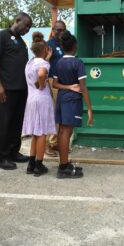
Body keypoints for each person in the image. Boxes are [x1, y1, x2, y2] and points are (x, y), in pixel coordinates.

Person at [0, 12, 32, 170]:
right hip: (6, 89)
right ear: (17, 20)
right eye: (26, 25)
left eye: (29, 27)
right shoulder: (1, 36)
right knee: (4, 122)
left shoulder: (21, 41)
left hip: (21, 88)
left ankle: (14, 151)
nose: (27, 29)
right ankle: (2, 157)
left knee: (17, 122)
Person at [53, 30, 93, 179]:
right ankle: (63, 168)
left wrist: (68, 86)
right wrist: (89, 108)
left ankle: (64, 163)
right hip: (72, 100)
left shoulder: (59, 62)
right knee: (66, 132)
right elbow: (83, 88)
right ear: (75, 46)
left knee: (62, 131)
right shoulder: (77, 62)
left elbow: (55, 84)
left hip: (62, 99)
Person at [22, 32, 56, 176]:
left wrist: (46, 59)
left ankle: (31, 164)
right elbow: (42, 74)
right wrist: (42, 84)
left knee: (36, 133)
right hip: (41, 99)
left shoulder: (30, 62)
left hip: (31, 99)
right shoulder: (44, 64)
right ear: (45, 49)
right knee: (42, 133)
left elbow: (39, 69)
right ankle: (39, 165)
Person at [46, 20, 67, 156]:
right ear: (53, 30)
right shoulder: (49, 45)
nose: (60, 32)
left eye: (63, 30)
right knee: (54, 113)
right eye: (58, 30)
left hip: (64, 82)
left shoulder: (65, 44)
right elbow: (43, 63)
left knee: (62, 113)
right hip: (53, 82)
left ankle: (58, 143)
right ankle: (49, 145)